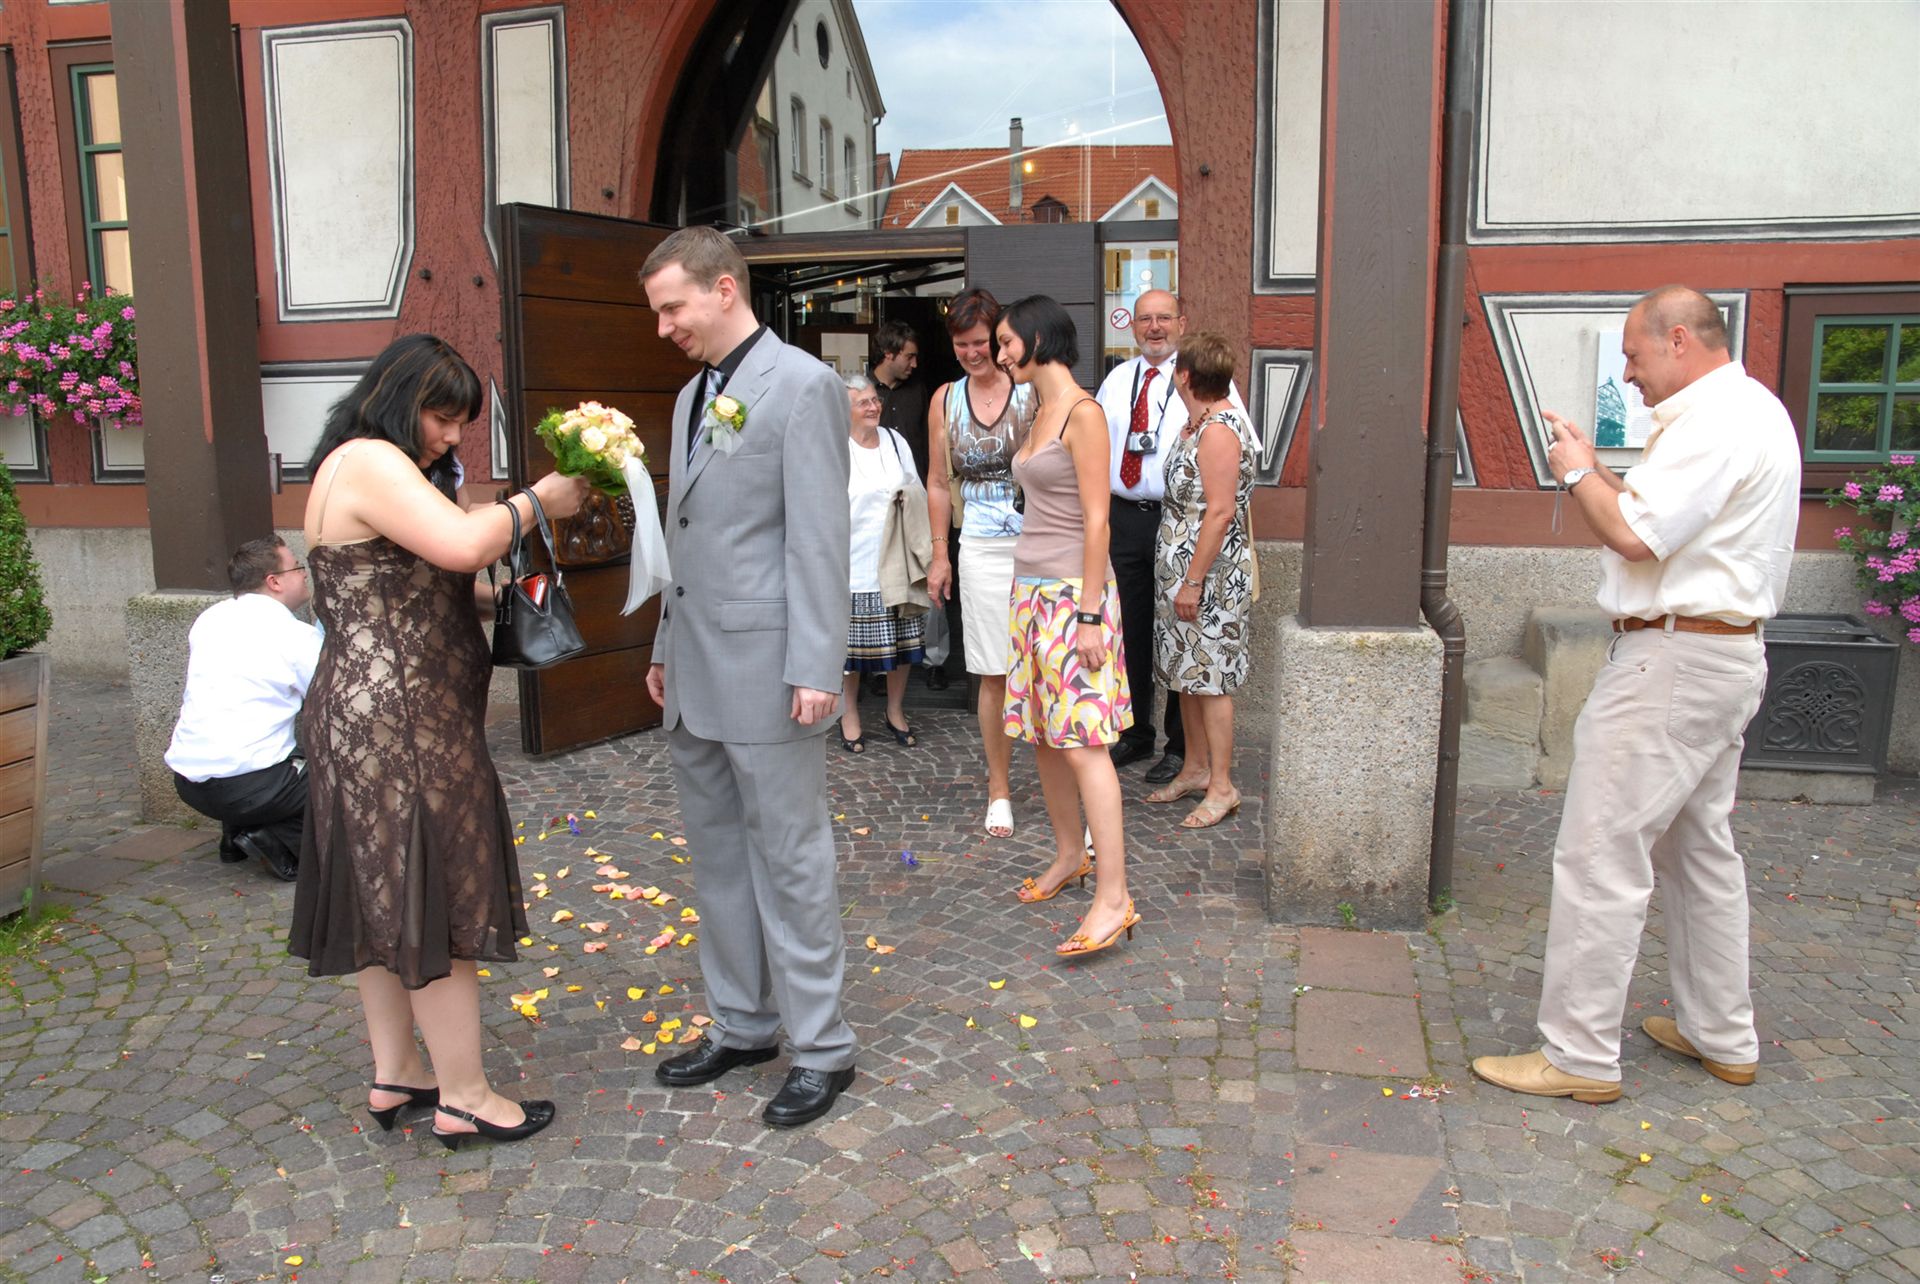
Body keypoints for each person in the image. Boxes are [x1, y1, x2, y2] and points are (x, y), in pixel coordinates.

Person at [1471, 285, 1800, 1103]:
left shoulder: (1714, 420)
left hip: (1674, 660)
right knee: (1700, 854)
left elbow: (1633, 533)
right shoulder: (1751, 410)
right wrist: (1601, 470)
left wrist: (1580, 473)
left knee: (1600, 854)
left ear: (1679, 339)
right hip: (1717, 656)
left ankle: (1579, 1054)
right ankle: (1722, 1033)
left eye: (1634, 353)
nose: (1628, 373)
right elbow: (1664, 518)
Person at [289, 333, 590, 1149]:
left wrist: (503, 595)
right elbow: (460, 545)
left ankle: (399, 1073)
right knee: (435, 896)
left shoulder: (358, 465)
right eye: (442, 418)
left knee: (384, 898)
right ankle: (466, 1097)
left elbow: (410, 584)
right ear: (398, 399)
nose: (452, 437)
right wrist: (538, 500)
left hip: (372, 716)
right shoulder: (369, 459)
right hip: (402, 725)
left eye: (462, 423)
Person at [641, 226, 859, 1129]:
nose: (663, 329)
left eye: (672, 308)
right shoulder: (692, 394)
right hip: (696, 668)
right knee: (720, 859)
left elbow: (819, 536)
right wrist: (664, 644)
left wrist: (817, 663)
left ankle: (823, 1047)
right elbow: (686, 532)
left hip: (771, 672)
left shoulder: (803, 385)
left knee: (791, 860)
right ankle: (742, 1022)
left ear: (723, 289)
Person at [997, 294, 1139, 958]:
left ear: (1037, 337)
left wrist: (1088, 614)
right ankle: (1068, 856)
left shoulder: (1085, 412)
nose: (1000, 353)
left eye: (1006, 341)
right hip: (1031, 594)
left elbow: (1098, 519)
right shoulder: (1036, 409)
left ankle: (1114, 897)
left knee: (1084, 742)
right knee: (1045, 738)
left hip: (1072, 598)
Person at [1096, 290, 1246, 786]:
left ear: (1182, 322)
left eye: (1164, 318)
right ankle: (1135, 731)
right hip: (1125, 518)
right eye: (1145, 319)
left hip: (1181, 521)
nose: (1154, 327)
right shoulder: (1118, 380)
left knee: (1183, 637)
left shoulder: (1206, 380)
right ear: (1132, 326)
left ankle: (1182, 749)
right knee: (1132, 632)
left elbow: (1232, 465)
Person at [926, 287, 1036, 838]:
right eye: (961, 344)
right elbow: (937, 481)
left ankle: (1069, 788)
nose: (973, 353)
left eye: (981, 342)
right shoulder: (945, 399)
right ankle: (999, 788)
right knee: (993, 672)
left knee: (1048, 669)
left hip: (1040, 544)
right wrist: (939, 553)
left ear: (1000, 338)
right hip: (980, 549)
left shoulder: (1032, 391)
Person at [1148, 332, 1257, 829]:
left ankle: (1222, 785)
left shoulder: (1219, 430)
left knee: (1210, 681)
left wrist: (1192, 582)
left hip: (1209, 578)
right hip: (1181, 574)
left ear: (1185, 375)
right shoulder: (1197, 424)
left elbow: (1219, 512)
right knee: (1185, 675)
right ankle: (1194, 768)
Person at [166, 535, 322, 882]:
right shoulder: (295, 636)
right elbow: (329, 699)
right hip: (252, 786)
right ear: (274, 582)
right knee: (339, 778)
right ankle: (272, 840)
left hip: (189, 782)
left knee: (258, 748)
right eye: (298, 567)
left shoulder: (211, 618)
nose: (304, 574)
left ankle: (232, 836)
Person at [839, 373, 924, 751]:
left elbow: (917, 488)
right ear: (844, 409)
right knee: (849, 653)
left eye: (875, 399)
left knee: (902, 646)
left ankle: (894, 710)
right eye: (864, 402)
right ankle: (849, 714)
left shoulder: (895, 441)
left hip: (897, 561)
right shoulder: (837, 447)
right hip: (853, 562)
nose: (874, 407)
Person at [868, 319, 927, 480]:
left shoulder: (917, 391)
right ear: (888, 352)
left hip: (915, 485)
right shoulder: (862, 393)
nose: (914, 364)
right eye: (909, 357)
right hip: (877, 485)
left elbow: (927, 442)